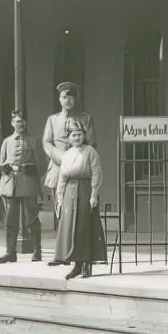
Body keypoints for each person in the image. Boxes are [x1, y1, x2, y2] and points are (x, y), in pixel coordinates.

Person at [50, 119, 106, 279]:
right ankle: (76, 264)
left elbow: (96, 173)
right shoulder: (67, 154)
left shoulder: (90, 152)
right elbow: (62, 177)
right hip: (69, 191)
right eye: (73, 135)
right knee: (70, 227)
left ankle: (87, 264)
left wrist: (94, 194)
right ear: (69, 138)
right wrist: (60, 198)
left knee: (84, 227)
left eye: (79, 135)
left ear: (84, 136)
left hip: (85, 189)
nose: (76, 138)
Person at [0, 110, 44, 264]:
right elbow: (0, 164)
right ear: (12, 124)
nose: (20, 124)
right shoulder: (7, 142)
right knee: (10, 221)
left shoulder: (34, 141)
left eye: (22, 121)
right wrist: (5, 167)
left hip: (28, 183)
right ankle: (10, 252)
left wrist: (30, 169)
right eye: (17, 121)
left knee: (32, 219)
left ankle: (37, 250)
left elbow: (42, 166)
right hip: (10, 185)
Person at [42, 82, 95, 199]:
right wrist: (61, 157)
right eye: (64, 97)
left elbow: (92, 144)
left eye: (71, 96)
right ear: (60, 99)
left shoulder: (86, 118)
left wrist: (77, 159)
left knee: (80, 206)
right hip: (58, 167)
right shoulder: (52, 119)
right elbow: (46, 142)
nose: (67, 100)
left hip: (80, 168)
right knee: (59, 208)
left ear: (76, 98)